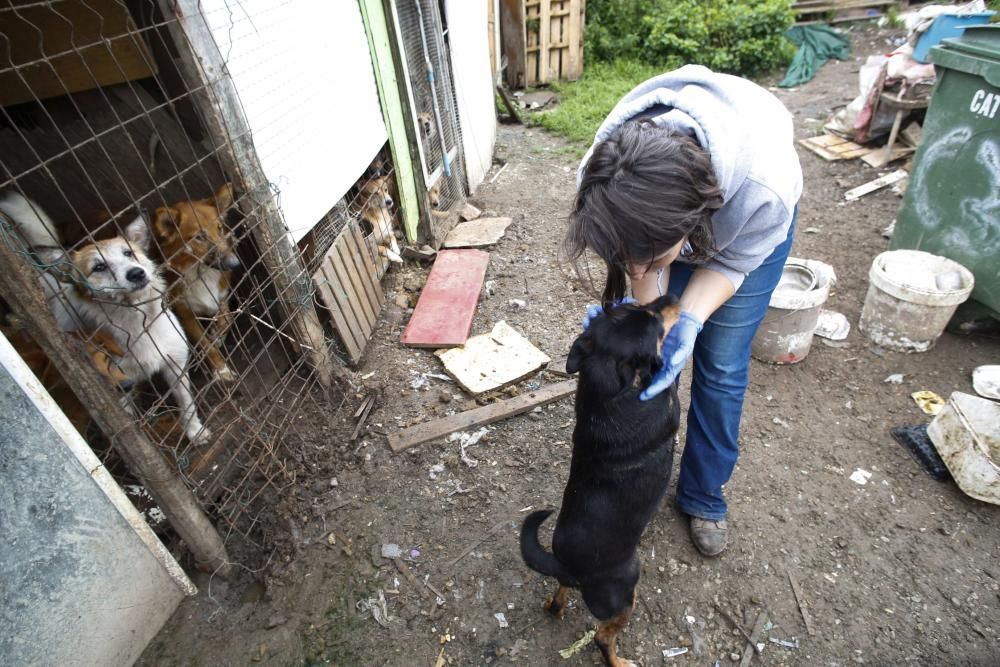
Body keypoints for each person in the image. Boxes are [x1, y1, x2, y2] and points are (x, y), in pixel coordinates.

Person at [567, 65, 802, 557]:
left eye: (647, 258)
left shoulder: (766, 191)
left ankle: (702, 495)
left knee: (720, 362)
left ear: (692, 224)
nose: (633, 268)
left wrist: (691, 316)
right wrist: (643, 307)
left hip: (748, 226)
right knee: (658, 355)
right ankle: (645, 467)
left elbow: (733, 262)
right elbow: (644, 274)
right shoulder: (606, 172)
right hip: (668, 219)